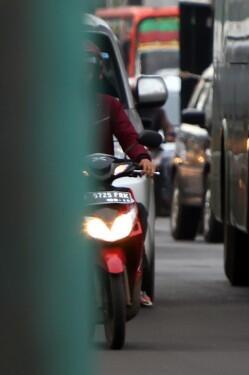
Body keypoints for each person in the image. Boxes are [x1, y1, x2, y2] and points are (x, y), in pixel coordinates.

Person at [87, 42, 156, 307]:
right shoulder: (57, 106)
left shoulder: (110, 105)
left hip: (104, 184)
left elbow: (129, 138)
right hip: (67, 187)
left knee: (138, 214)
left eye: (90, 67)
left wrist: (143, 158)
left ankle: (139, 285)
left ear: (98, 71)